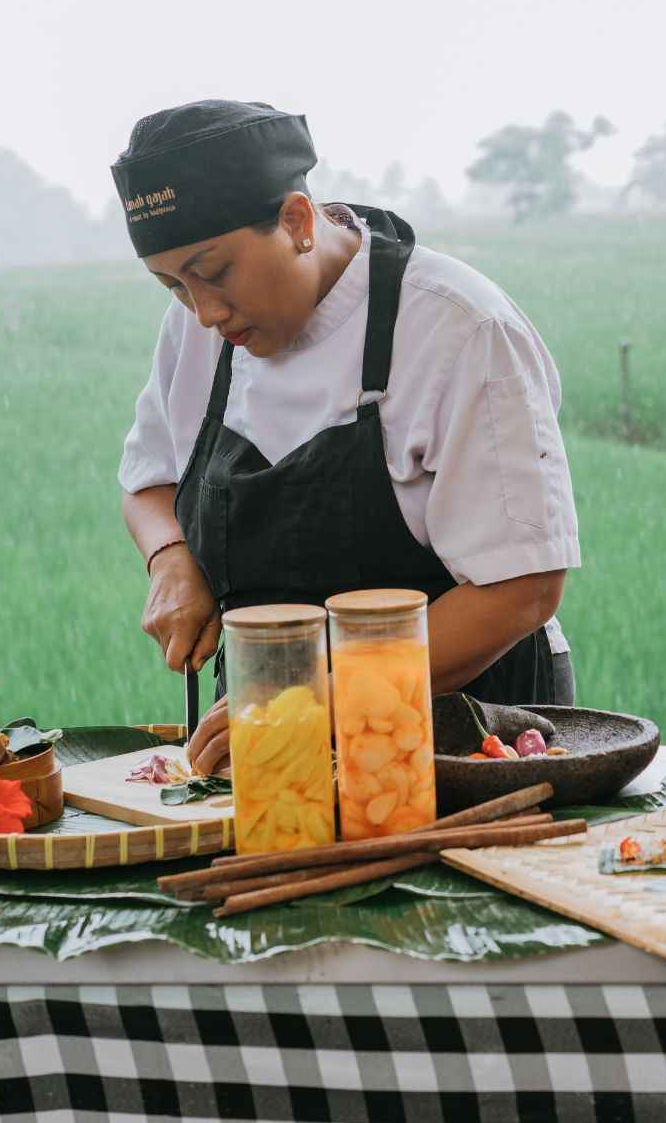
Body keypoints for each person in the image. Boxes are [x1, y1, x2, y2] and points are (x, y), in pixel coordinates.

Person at [111, 100, 579, 774]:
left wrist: (305, 706)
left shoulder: (460, 329)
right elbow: (149, 480)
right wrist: (172, 560)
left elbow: (523, 587)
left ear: (298, 221)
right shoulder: (198, 329)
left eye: (214, 273)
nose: (205, 311)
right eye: (173, 285)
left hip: (465, 739)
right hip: (264, 736)